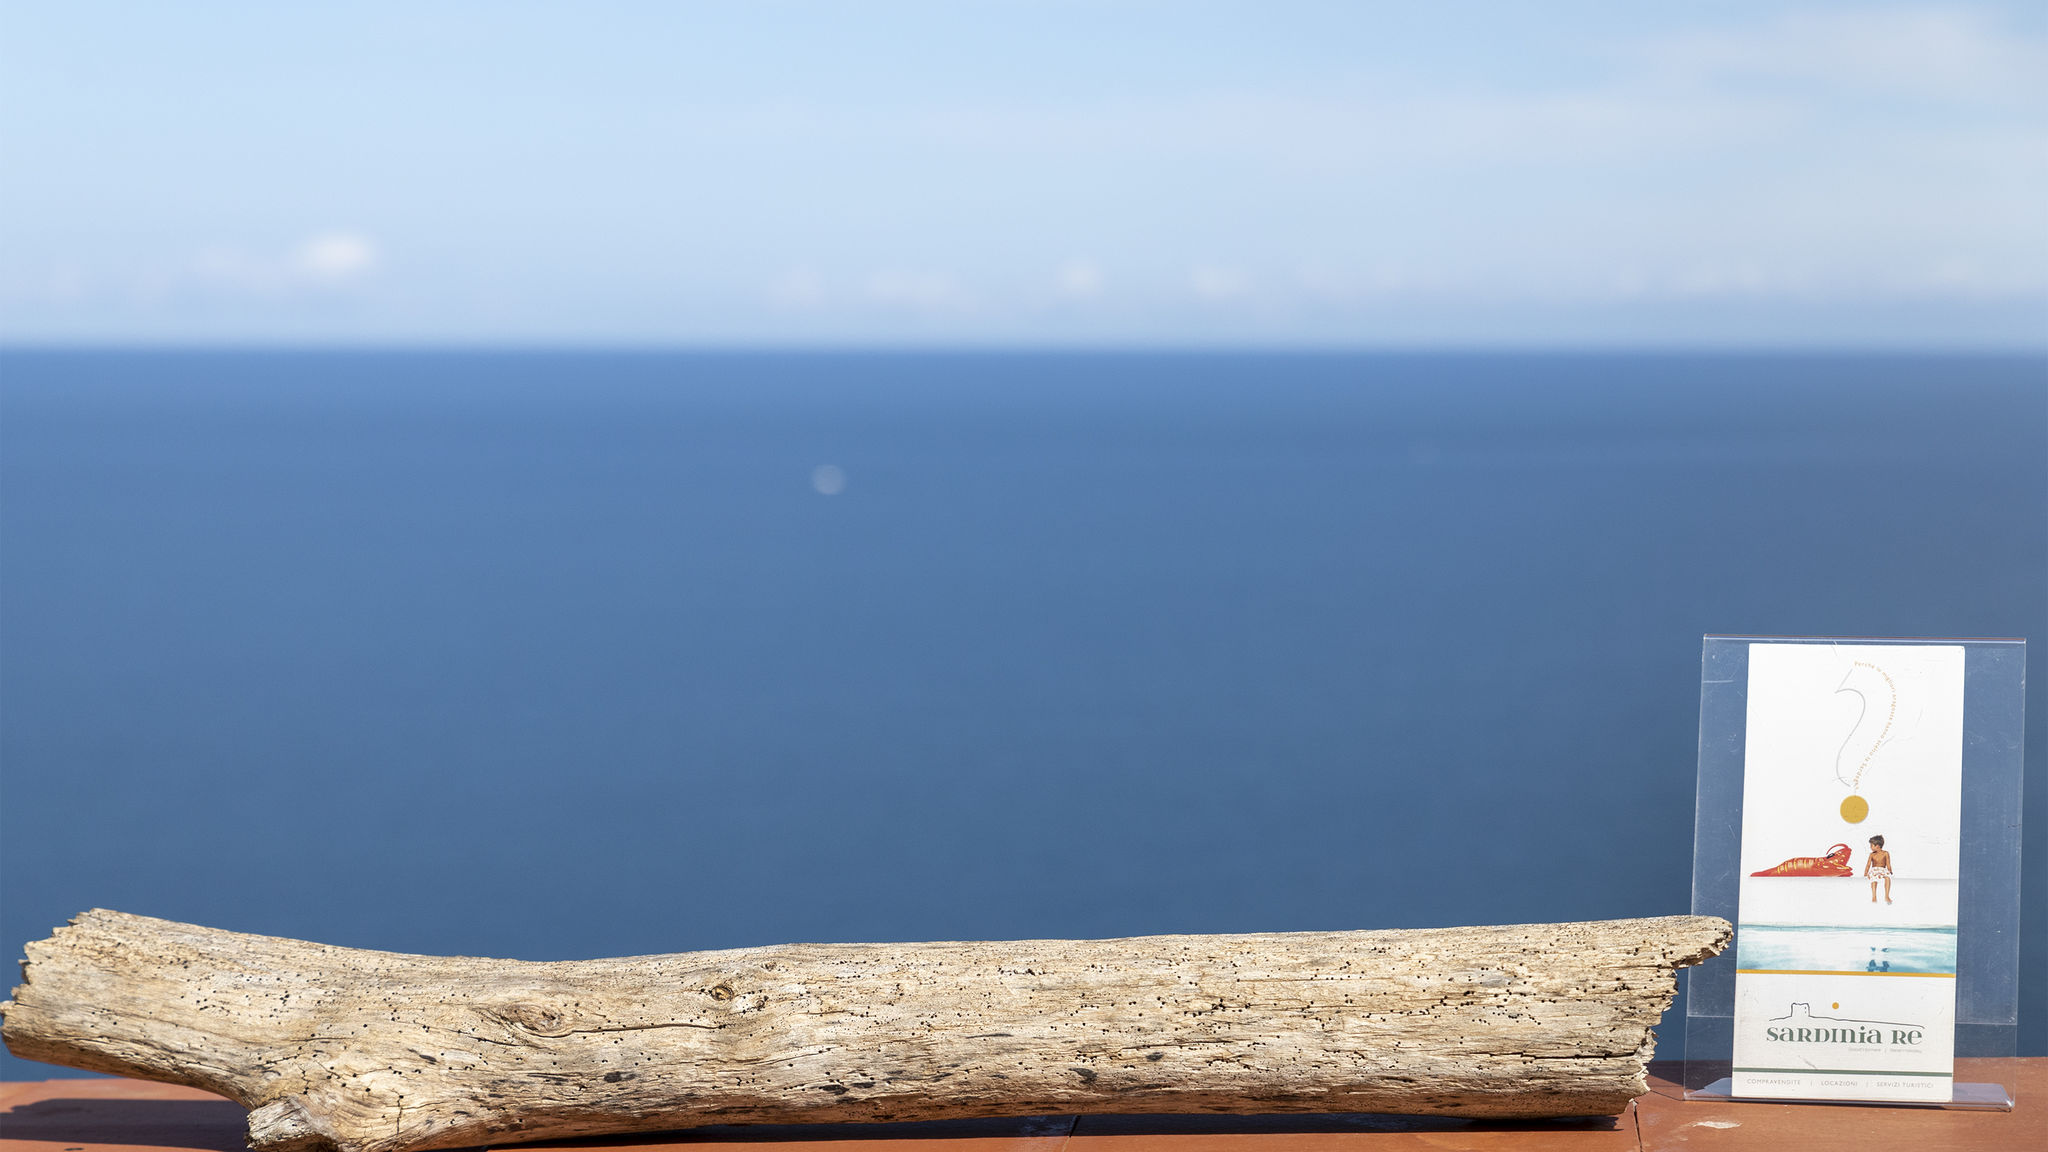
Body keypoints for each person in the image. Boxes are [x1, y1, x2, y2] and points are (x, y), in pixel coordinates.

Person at [1865, 835, 1893, 904]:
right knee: (1873, 880)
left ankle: (1887, 895)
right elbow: (1868, 864)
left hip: (1883, 869)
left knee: (1887, 878)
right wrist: (1866, 873)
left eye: (1872, 845)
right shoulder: (1872, 854)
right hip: (1874, 869)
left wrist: (1890, 870)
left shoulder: (1885, 853)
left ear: (1877, 846)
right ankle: (1874, 896)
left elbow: (1888, 863)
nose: (1870, 847)